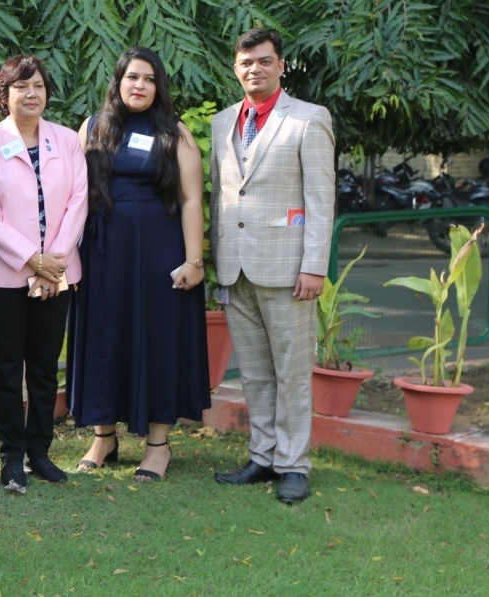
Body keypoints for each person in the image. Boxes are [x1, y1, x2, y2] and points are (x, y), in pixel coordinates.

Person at [68, 46, 210, 482]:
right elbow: (72, 194)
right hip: (102, 253)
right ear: (118, 82)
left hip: (159, 254)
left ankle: (158, 446)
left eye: (149, 79)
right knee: (103, 337)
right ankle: (103, 438)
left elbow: (191, 199)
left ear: (158, 86)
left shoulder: (175, 133)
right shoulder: (92, 127)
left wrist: (194, 261)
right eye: (132, 77)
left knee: (157, 340)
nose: (140, 85)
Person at [209, 28, 335, 504]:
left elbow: (320, 198)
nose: (254, 69)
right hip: (236, 269)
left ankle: (294, 465)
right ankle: (262, 457)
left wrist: (314, 265)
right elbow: (222, 196)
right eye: (246, 62)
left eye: (264, 61)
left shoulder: (308, 118)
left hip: (288, 270)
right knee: (256, 372)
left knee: (292, 372)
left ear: (281, 65)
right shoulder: (223, 122)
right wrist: (218, 262)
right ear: (235, 68)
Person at [0, 56, 88, 493]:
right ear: (5, 95)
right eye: (21, 87)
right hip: (3, 275)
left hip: (59, 273)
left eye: (38, 86)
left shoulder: (67, 141)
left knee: (43, 366)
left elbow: (79, 201)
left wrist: (54, 261)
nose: (31, 94)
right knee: (6, 367)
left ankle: (39, 452)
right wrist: (33, 260)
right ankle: (11, 457)